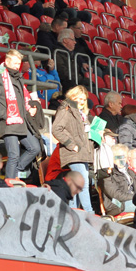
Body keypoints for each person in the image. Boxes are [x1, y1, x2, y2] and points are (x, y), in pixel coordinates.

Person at [0, 49, 42, 183]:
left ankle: (13, 172)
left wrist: (29, 107)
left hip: (21, 121)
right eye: (15, 63)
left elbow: (23, 99)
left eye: (19, 63)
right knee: (13, 154)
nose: (17, 66)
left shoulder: (18, 78)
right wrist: (6, 115)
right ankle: (9, 183)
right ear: (6, 62)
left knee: (34, 148)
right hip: (8, 122)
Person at [53, 85, 95, 213]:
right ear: (72, 97)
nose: (82, 102)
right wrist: (72, 145)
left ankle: (72, 212)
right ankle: (89, 212)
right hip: (73, 153)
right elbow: (56, 129)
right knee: (83, 183)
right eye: (79, 99)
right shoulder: (66, 109)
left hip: (83, 154)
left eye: (84, 100)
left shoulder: (81, 114)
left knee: (78, 185)